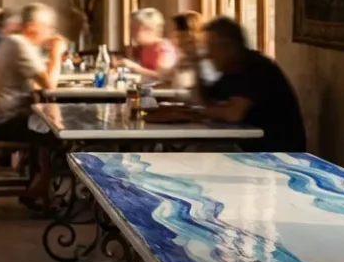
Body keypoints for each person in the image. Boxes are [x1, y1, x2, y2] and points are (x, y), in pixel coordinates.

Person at [149, 17, 305, 153]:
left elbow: (233, 113)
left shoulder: (256, 67)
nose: (208, 54)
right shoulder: (230, 71)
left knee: (195, 154)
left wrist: (195, 113)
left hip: (275, 150)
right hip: (248, 145)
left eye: (212, 47)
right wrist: (195, 62)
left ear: (228, 46)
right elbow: (204, 101)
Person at [0, 3, 65, 206]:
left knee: (48, 124)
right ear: (33, 27)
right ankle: (40, 187)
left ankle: (39, 185)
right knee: (58, 132)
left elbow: (39, 79)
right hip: (2, 121)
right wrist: (56, 52)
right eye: (48, 28)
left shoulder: (15, 42)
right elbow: (49, 84)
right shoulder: (18, 44)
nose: (50, 33)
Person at [117, 8, 177, 81]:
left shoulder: (164, 48)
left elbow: (163, 77)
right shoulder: (140, 48)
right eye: (131, 29)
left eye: (135, 29)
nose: (131, 33)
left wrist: (134, 67)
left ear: (150, 29)